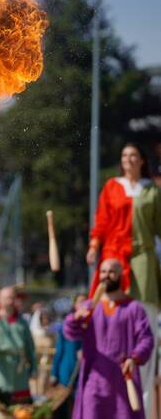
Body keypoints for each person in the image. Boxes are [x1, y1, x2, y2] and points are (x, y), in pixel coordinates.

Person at [87, 142, 161, 417]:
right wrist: (94, 245)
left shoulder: (152, 190)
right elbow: (102, 221)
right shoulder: (111, 186)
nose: (128, 159)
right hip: (113, 262)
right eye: (124, 156)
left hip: (142, 262)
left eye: (133, 155)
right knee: (104, 329)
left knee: (145, 332)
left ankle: (143, 410)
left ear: (142, 160)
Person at [64, 259, 154, 419]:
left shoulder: (134, 308)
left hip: (122, 380)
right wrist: (75, 317)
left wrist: (134, 358)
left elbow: (146, 339)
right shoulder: (90, 306)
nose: (107, 276)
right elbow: (70, 333)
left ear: (121, 275)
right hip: (95, 381)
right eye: (103, 271)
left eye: (112, 271)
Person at [0, 286, 37, 406]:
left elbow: (30, 347)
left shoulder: (21, 321)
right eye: (7, 298)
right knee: (2, 407)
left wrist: (34, 368)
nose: (10, 301)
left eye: (12, 298)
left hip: (20, 371)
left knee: (22, 409)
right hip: (1, 369)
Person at [50, 293, 86, 418]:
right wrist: (54, 373)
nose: (83, 305)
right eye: (80, 302)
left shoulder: (90, 325)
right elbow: (59, 352)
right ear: (74, 305)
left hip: (82, 375)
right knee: (62, 408)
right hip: (66, 374)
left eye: (85, 302)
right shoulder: (68, 325)